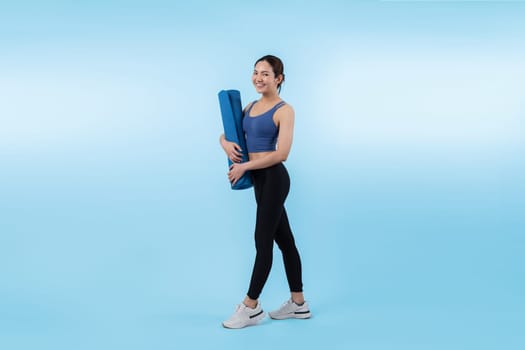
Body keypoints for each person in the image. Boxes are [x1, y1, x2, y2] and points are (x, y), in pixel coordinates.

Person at [219, 55, 311, 329]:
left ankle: (251, 306)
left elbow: (282, 153)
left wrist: (244, 165)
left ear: (278, 79)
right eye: (256, 72)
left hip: (274, 178)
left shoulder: (285, 110)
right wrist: (224, 143)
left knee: (263, 241)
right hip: (259, 180)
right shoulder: (250, 106)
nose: (258, 78)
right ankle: (298, 303)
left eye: (266, 74)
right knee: (285, 241)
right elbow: (230, 135)